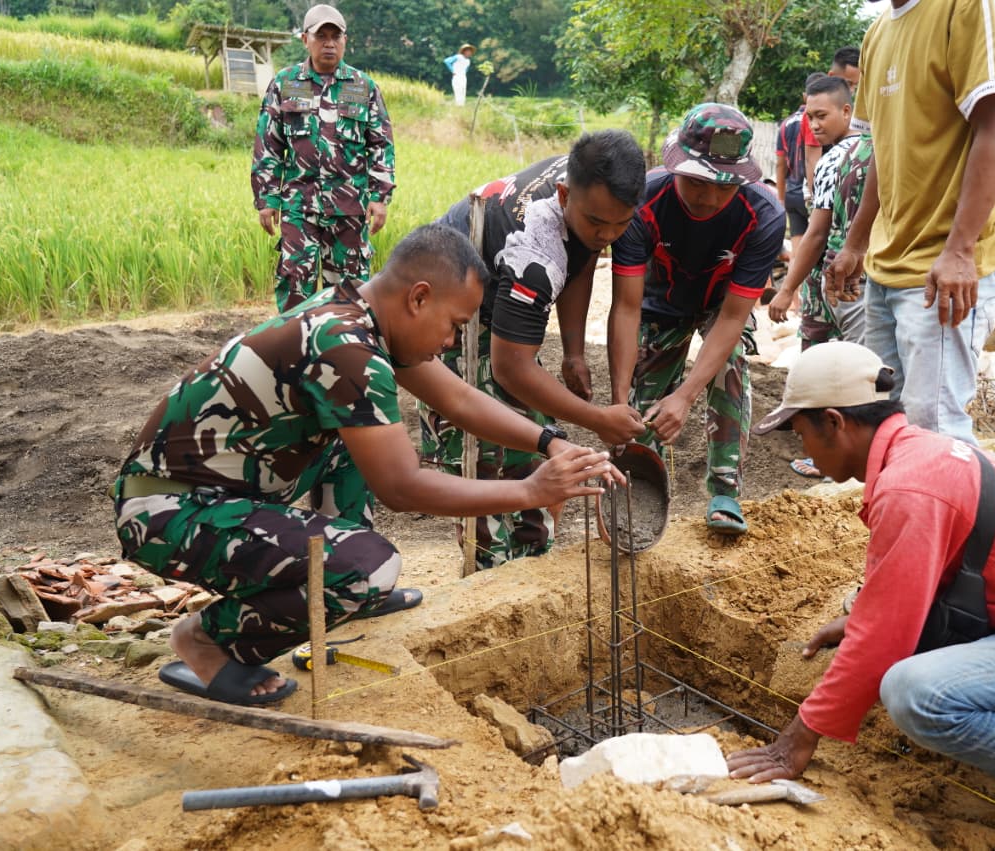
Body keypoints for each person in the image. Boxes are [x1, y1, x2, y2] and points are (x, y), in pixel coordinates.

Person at [112, 225, 620, 706]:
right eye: (454, 326)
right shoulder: (346, 348)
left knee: (358, 437)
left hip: (218, 491)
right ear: (419, 298)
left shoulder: (358, 314)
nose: (449, 343)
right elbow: (402, 486)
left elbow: (460, 400)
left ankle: (350, 589)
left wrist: (548, 440)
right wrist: (530, 492)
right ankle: (206, 641)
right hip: (165, 510)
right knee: (370, 566)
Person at [726, 342, 995, 851]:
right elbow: (911, 589)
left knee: (918, 692)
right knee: (907, 667)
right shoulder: (922, 456)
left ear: (834, 422)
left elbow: (883, 642)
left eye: (801, 433)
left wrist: (796, 741)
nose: (802, 449)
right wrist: (861, 617)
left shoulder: (910, 487)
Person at [420, 131, 648, 570]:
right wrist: (599, 419)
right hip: (450, 320)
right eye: (598, 222)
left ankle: (531, 560)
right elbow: (510, 368)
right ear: (564, 195)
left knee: (534, 437)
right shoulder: (536, 255)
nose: (608, 234)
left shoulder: (592, 187)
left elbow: (579, 260)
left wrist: (574, 352)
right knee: (484, 451)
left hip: (503, 306)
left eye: (620, 224)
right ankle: (489, 571)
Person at [825, 0, 995, 444]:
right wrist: (856, 245)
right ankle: (908, 513)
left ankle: (962, 515)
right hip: (886, 264)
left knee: (936, 432)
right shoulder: (879, 31)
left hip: (943, 271)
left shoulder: (970, 6)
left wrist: (960, 250)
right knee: (883, 424)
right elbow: (882, 148)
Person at [610, 103, 786, 537]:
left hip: (721, 301)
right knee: (642, 401)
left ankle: (725, 488)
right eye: (695, 181)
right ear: (675, 168)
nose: (707, 198)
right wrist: (616, 401)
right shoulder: (644, 201)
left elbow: (732, 316)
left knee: (731, 364)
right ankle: (635, 476)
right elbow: (626, 308)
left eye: (722, 188)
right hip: (659, 302)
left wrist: (687, 396)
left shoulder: (764, 216)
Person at [252, 4, 395, 313]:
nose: (329, 43)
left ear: (345, 40)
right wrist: (267, 199)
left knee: (351, 292)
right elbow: (269, 144)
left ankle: (342, 354)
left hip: (349, 208)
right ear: (306, 39)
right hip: (298, 206)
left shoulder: (362, 86)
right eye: (321, 36)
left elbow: (380, 143)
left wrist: (379, 196)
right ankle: (296, 354)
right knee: (294, 283)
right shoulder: (287, 83)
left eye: (335, 36)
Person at [768, 75, 873, 478]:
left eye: (822, 116)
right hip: (864, 274)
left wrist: (787, 288)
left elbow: (816, 232)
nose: (813, 125)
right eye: (809, 117)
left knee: (831, 363)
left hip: (837, 278)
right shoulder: (877, 152)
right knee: (860, 363)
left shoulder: (835, 160)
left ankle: (834, 454)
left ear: (848, 111)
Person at [774, 73, 826, 257]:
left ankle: (793, 287)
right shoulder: (816, 122)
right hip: (809, 193)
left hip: (791, 194)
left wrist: (781, 198)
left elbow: (780, 164)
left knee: (797, 254)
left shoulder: (785, 124)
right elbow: (813, 159)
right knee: (815, 254)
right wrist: (816, 195)